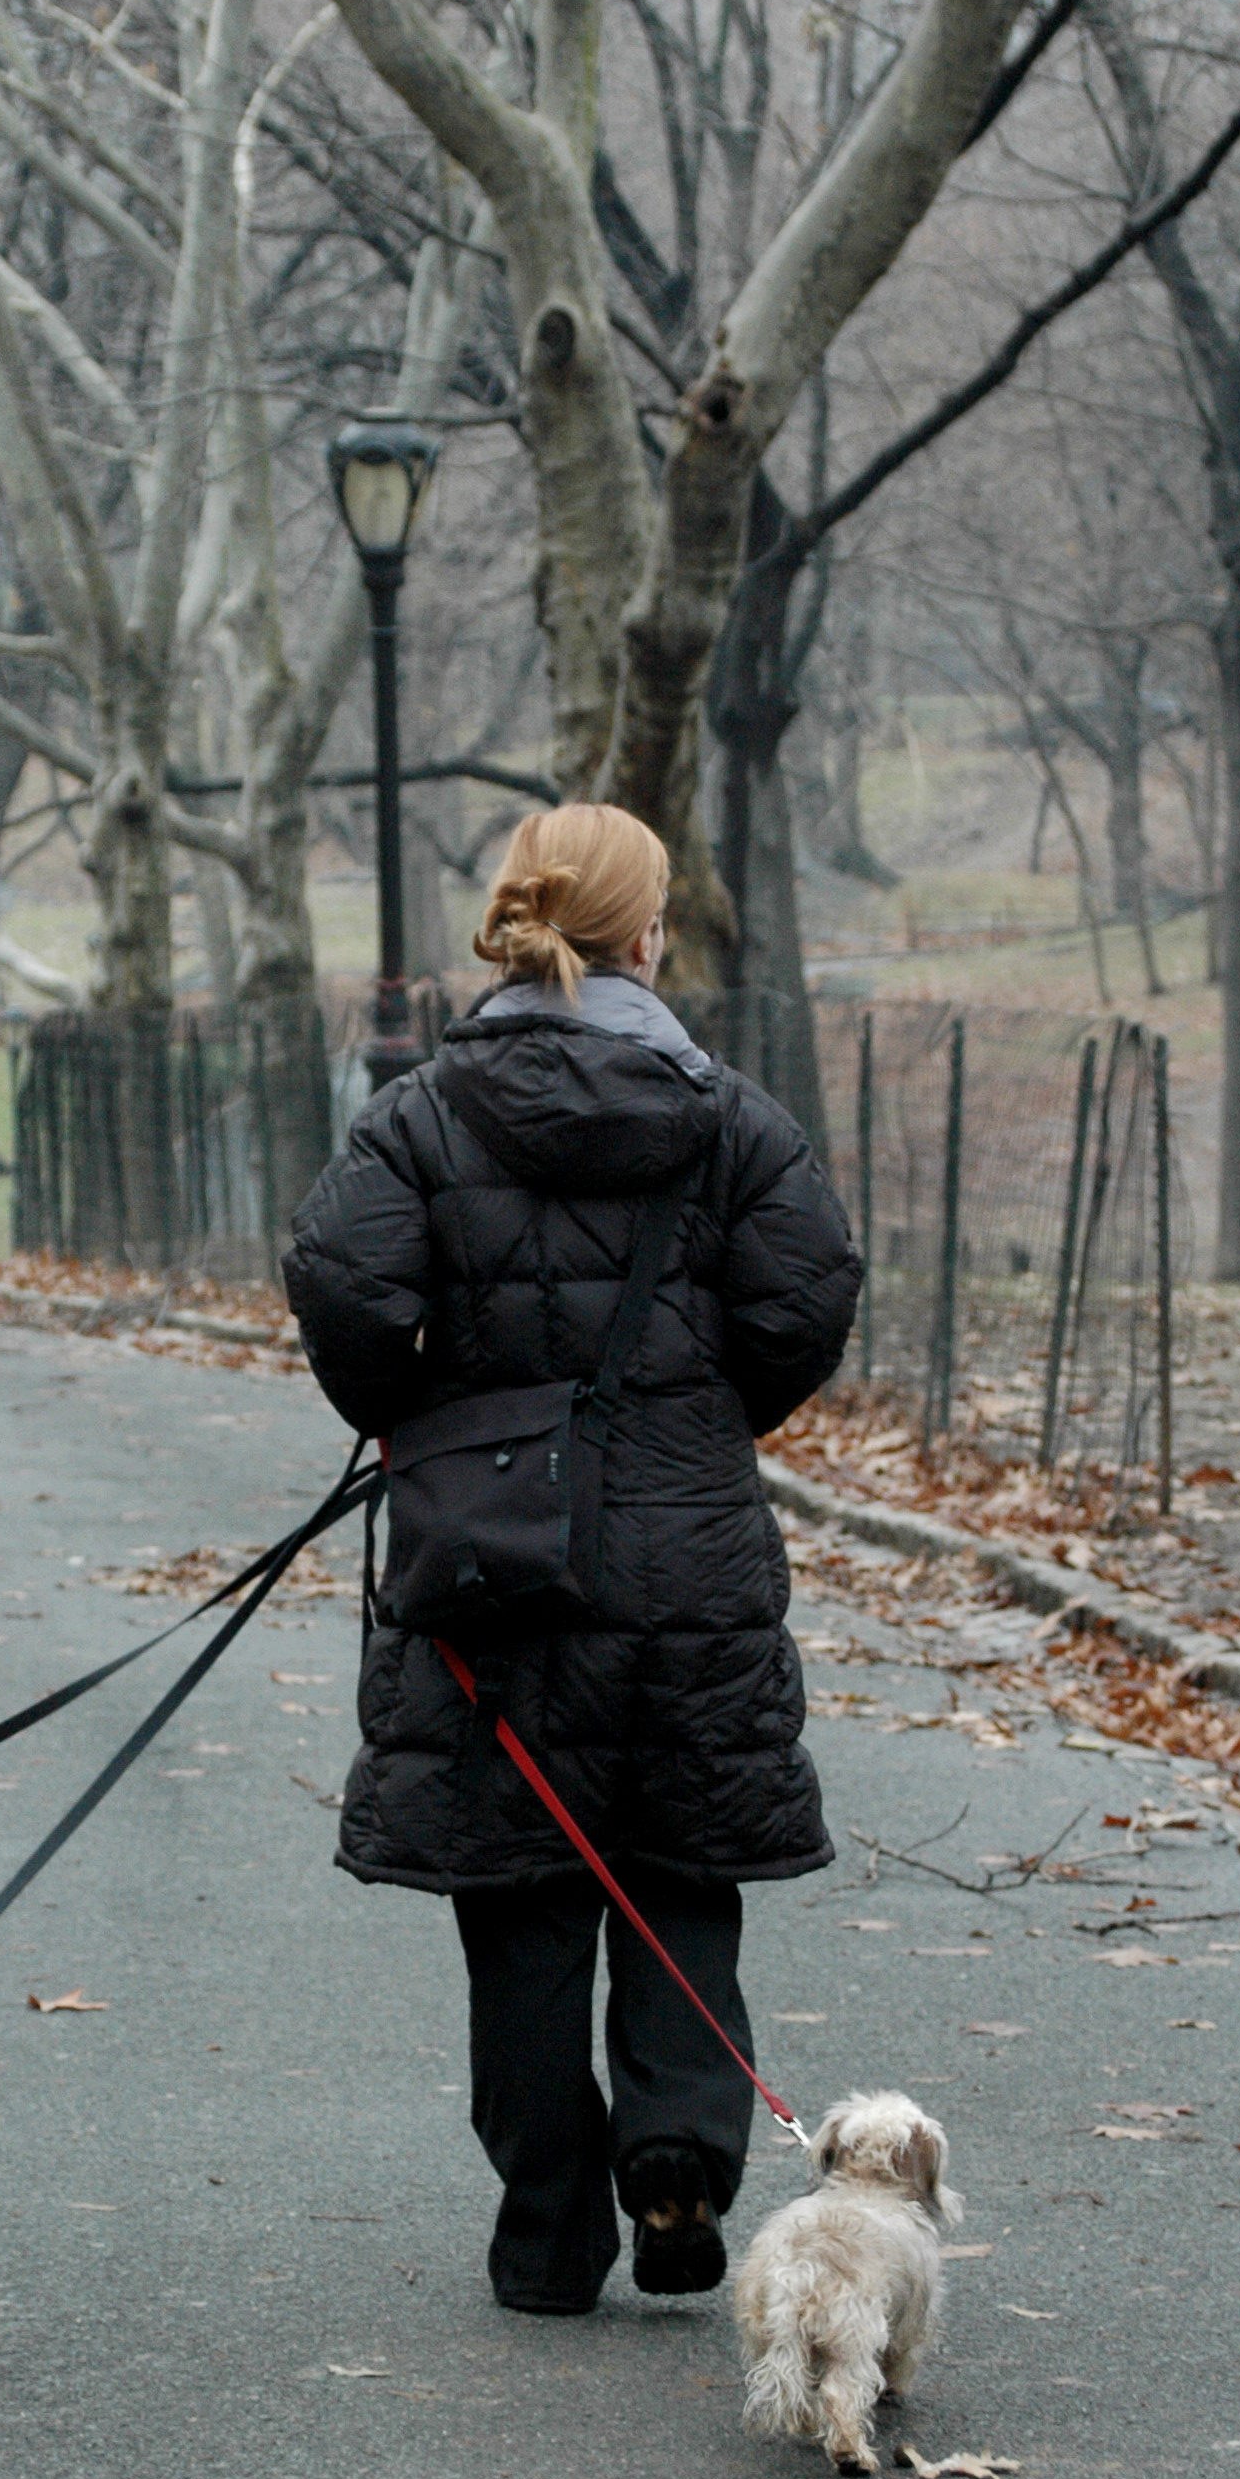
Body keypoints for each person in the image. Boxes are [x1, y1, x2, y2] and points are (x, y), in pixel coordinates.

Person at [283, 805, 860, 2314]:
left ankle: (548, 2233)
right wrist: (706, 1414)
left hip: (492, 1561)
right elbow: (809, 1296)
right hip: (688, 1557)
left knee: (522, 1890)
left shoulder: (421, 1114)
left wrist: (419, 1410)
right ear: (645, 933)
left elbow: (344, 1284)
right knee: (676, 1863)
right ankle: (678, 2148)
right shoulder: (730, 1114)